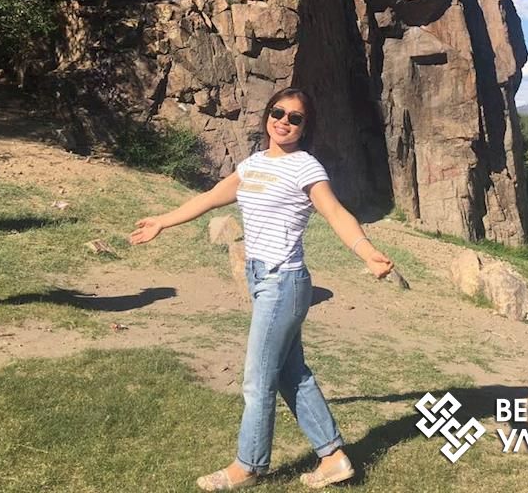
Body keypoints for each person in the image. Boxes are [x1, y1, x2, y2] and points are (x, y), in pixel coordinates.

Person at [129, 87, 394, 490]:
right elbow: (210, 198)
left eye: (295, 118)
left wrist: (368, 252)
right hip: (261, 278)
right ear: (268, 115)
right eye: (278, 112)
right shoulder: (252, 165)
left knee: (257, 380)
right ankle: (334, 458)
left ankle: (249, 466)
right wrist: (163, 221)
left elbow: (335, 213)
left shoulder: (305, 167)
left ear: (305, 127)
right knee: (292, 374)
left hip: (283, 281)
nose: (284, 122)